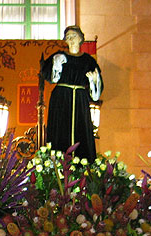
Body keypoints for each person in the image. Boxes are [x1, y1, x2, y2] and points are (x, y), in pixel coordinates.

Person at [42, 25, 103, 162]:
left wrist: (94, 80)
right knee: (60, 130)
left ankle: (82, 167)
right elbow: (51, 77)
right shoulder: (59, 57)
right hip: (61, 99)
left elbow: (96, 92)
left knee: (81, 132)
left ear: (81, 39)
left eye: (73, 36)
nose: (71, 39)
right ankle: (59, 166)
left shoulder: (88, 61)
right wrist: (56, 65)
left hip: (80, 99)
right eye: (68, 37)